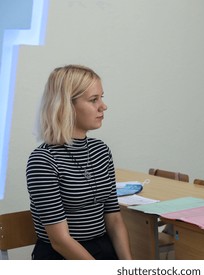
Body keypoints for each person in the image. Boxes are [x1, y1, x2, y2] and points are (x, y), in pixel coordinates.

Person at [26, 64, 133, 259]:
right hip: (62, 256)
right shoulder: (43, 161)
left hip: (102, 247)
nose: (103, 106)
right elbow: (60, 241)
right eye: (93, 100)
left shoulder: (101, 151)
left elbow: (114, 218)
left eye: (102, 97)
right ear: (66, 106)